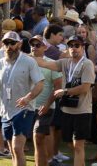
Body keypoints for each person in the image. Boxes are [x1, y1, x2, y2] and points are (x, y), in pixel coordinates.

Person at [0, 29, 44, 166]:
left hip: (24, 109)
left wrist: (28, 98)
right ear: (2, 44)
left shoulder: (29, 61)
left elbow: (40, 84)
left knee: (17, 148)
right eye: (6, 43)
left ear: (20, 44)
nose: (9, 46)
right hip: (5, 111)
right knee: (12, 149)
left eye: (13, 43)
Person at [54, 33, 97, 166]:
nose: (73, 48)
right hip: (67, 109)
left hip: (82, 111)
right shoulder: (65, 62)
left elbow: (85, 88)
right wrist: (27, 55)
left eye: (76, 45)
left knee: (78, 145)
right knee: (69, 143)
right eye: (71, 45)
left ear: (82, 48)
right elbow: (45, 63)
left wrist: (65, 91)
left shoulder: (87, 63)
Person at [29, 36, 61, 166]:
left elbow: (58, 86)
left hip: (45, 108)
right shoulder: (24, 61)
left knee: (38, 137)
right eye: (32, 44)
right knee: (34, 140)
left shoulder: (51, 63)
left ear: (45, 47)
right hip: (27, 107)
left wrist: (47, 105)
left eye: (38, 45)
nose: (34, 47)